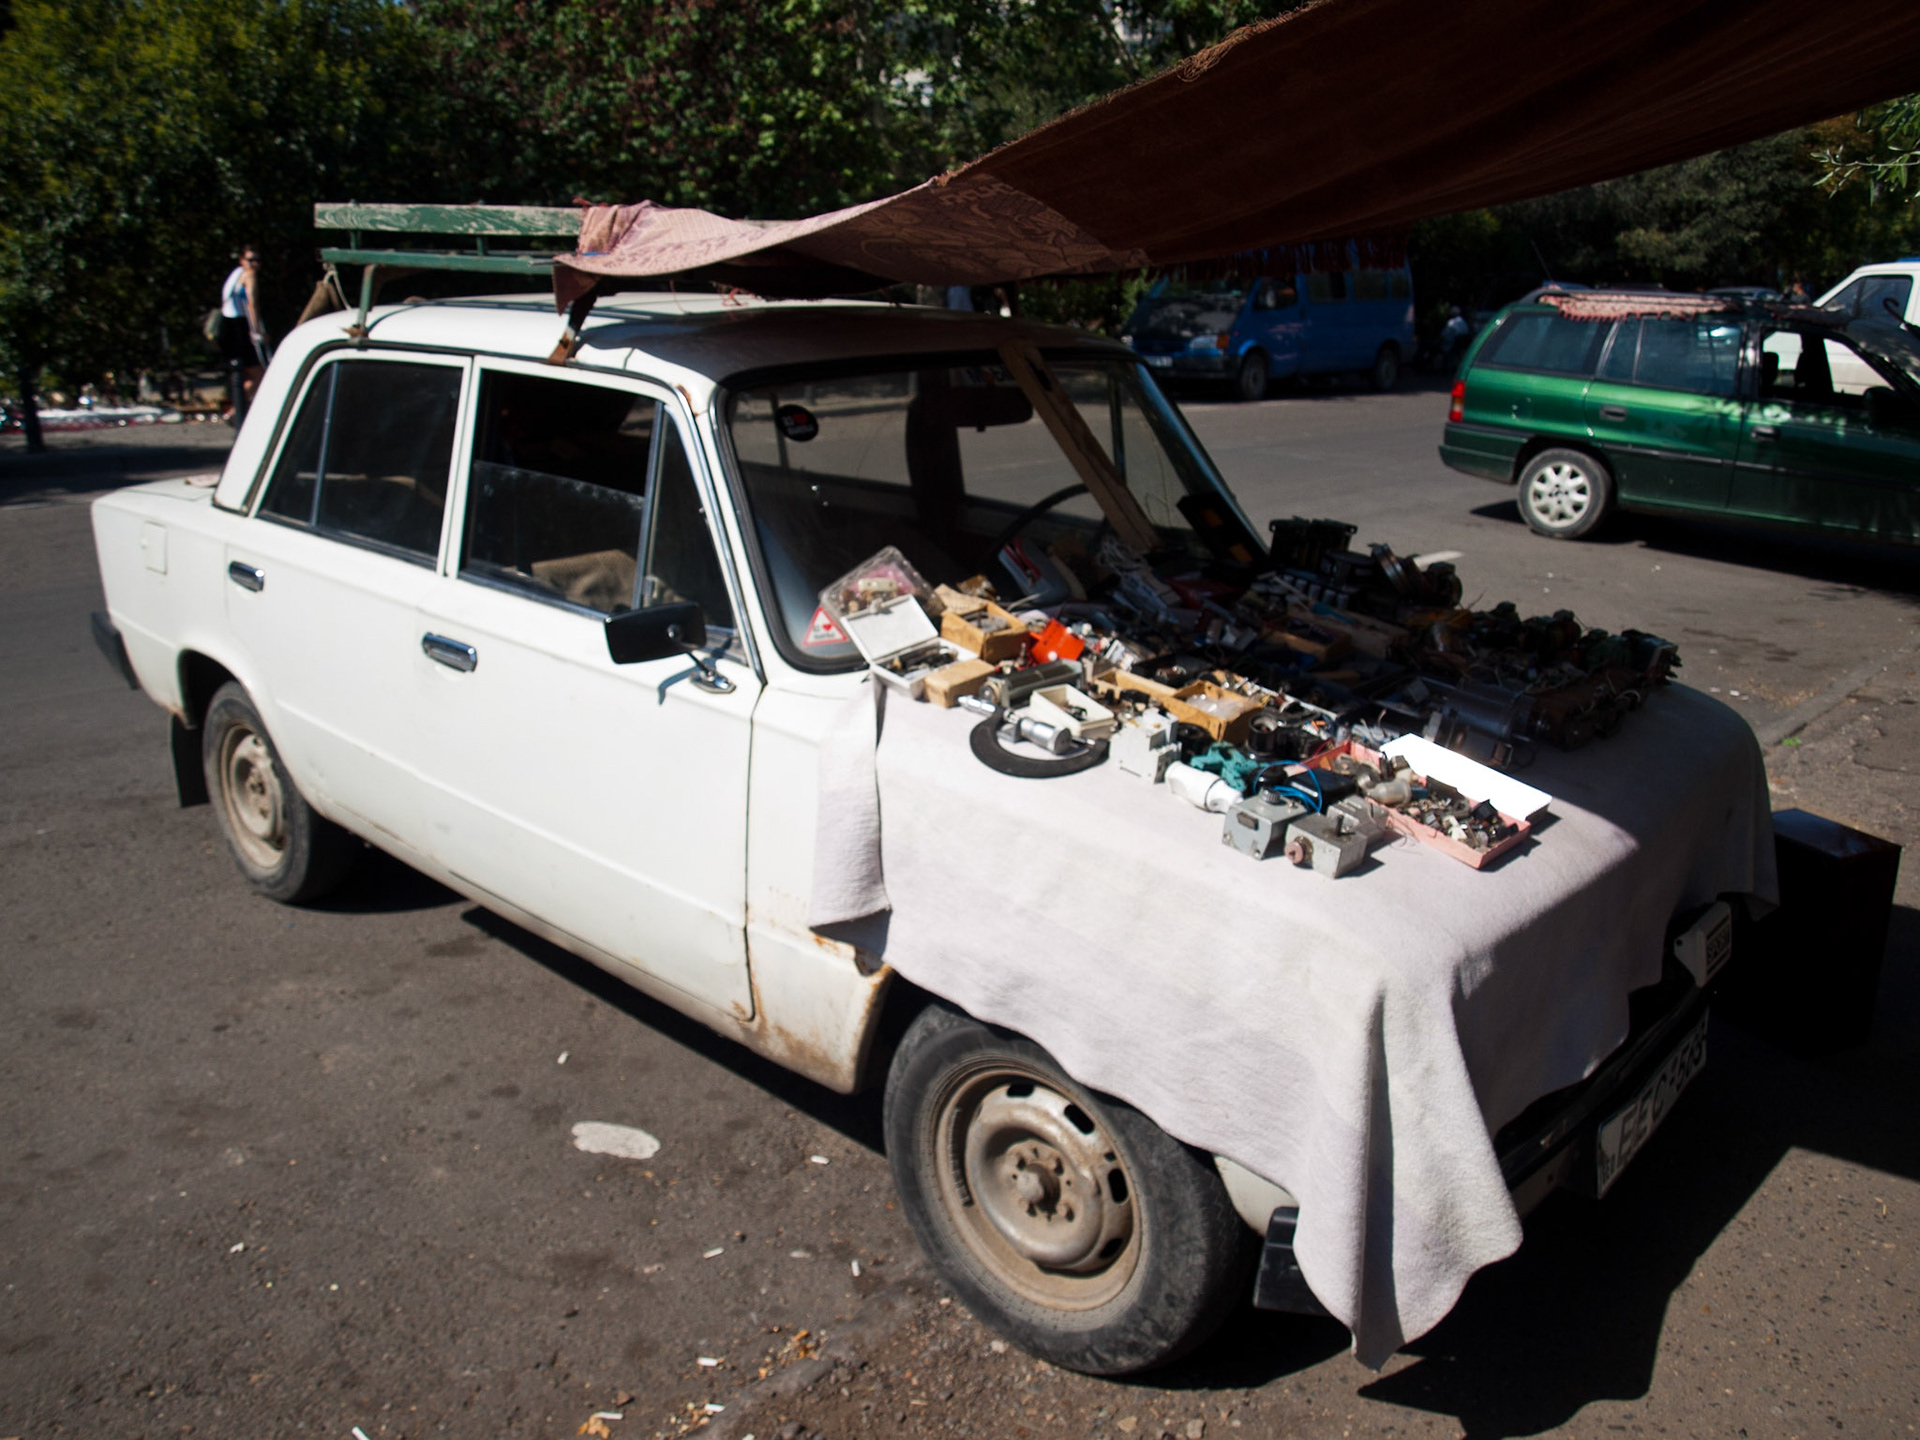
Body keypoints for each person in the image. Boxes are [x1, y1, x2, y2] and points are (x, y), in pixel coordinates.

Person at [219, 245, 266, 423]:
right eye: (250, 260)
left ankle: (238, 409)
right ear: (242, 260)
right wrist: (257, 331)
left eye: (257, 261)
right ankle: (234, 411)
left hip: (228, 326)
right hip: (240, 326)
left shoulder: (235, 274)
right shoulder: (249, 275)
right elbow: (252, 304)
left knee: (242, 373)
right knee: (258, 374)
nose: (254, 264)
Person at [1441, 305, 1471, 369]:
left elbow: (1446, 334)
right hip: (1461, 345)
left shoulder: (1451, 322)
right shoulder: (1463, 321)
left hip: (1454, 344)